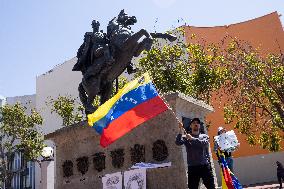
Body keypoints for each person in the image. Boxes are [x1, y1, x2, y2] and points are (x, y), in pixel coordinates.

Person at [176, 118, 215, 189]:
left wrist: (192, 139)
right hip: (192, 168)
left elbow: (203, 144)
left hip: (205, 167)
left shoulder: (204, 136)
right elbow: (178, 142)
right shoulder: (186, 137)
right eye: (193, 123)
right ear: (191, 126)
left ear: (199, 126)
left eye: (197, 123)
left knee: (211, 187)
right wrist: (180, 130)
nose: (196, 124)